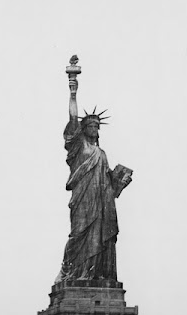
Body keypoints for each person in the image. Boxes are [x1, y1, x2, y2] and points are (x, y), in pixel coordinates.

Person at [58, 70, 132, 283]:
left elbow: (110, 185)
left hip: (101, 203)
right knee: (79, 234)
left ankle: (95, 274)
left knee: (100, 237)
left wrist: (120, 181)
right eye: (90, 125)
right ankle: (71, 272)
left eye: (97, 126)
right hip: (83, 199)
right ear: (83, 129)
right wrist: (73, 90)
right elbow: (72, 118)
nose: (94, 128)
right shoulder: (78, 146)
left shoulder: (102, 154)